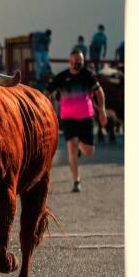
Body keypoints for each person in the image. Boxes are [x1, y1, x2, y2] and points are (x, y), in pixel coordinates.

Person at [46, 50, 108, 192]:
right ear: (70, 62)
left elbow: (99, 92)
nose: (78, 64)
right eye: (76, 61)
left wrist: (102, 111)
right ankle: (76, 181)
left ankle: (80, 144)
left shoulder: (87, 76)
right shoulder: (62, 77)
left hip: (86, 118)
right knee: (71, 149)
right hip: (68, 119)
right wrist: (47, 108)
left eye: (80, 61)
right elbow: (47, 92)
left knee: (89, 151)